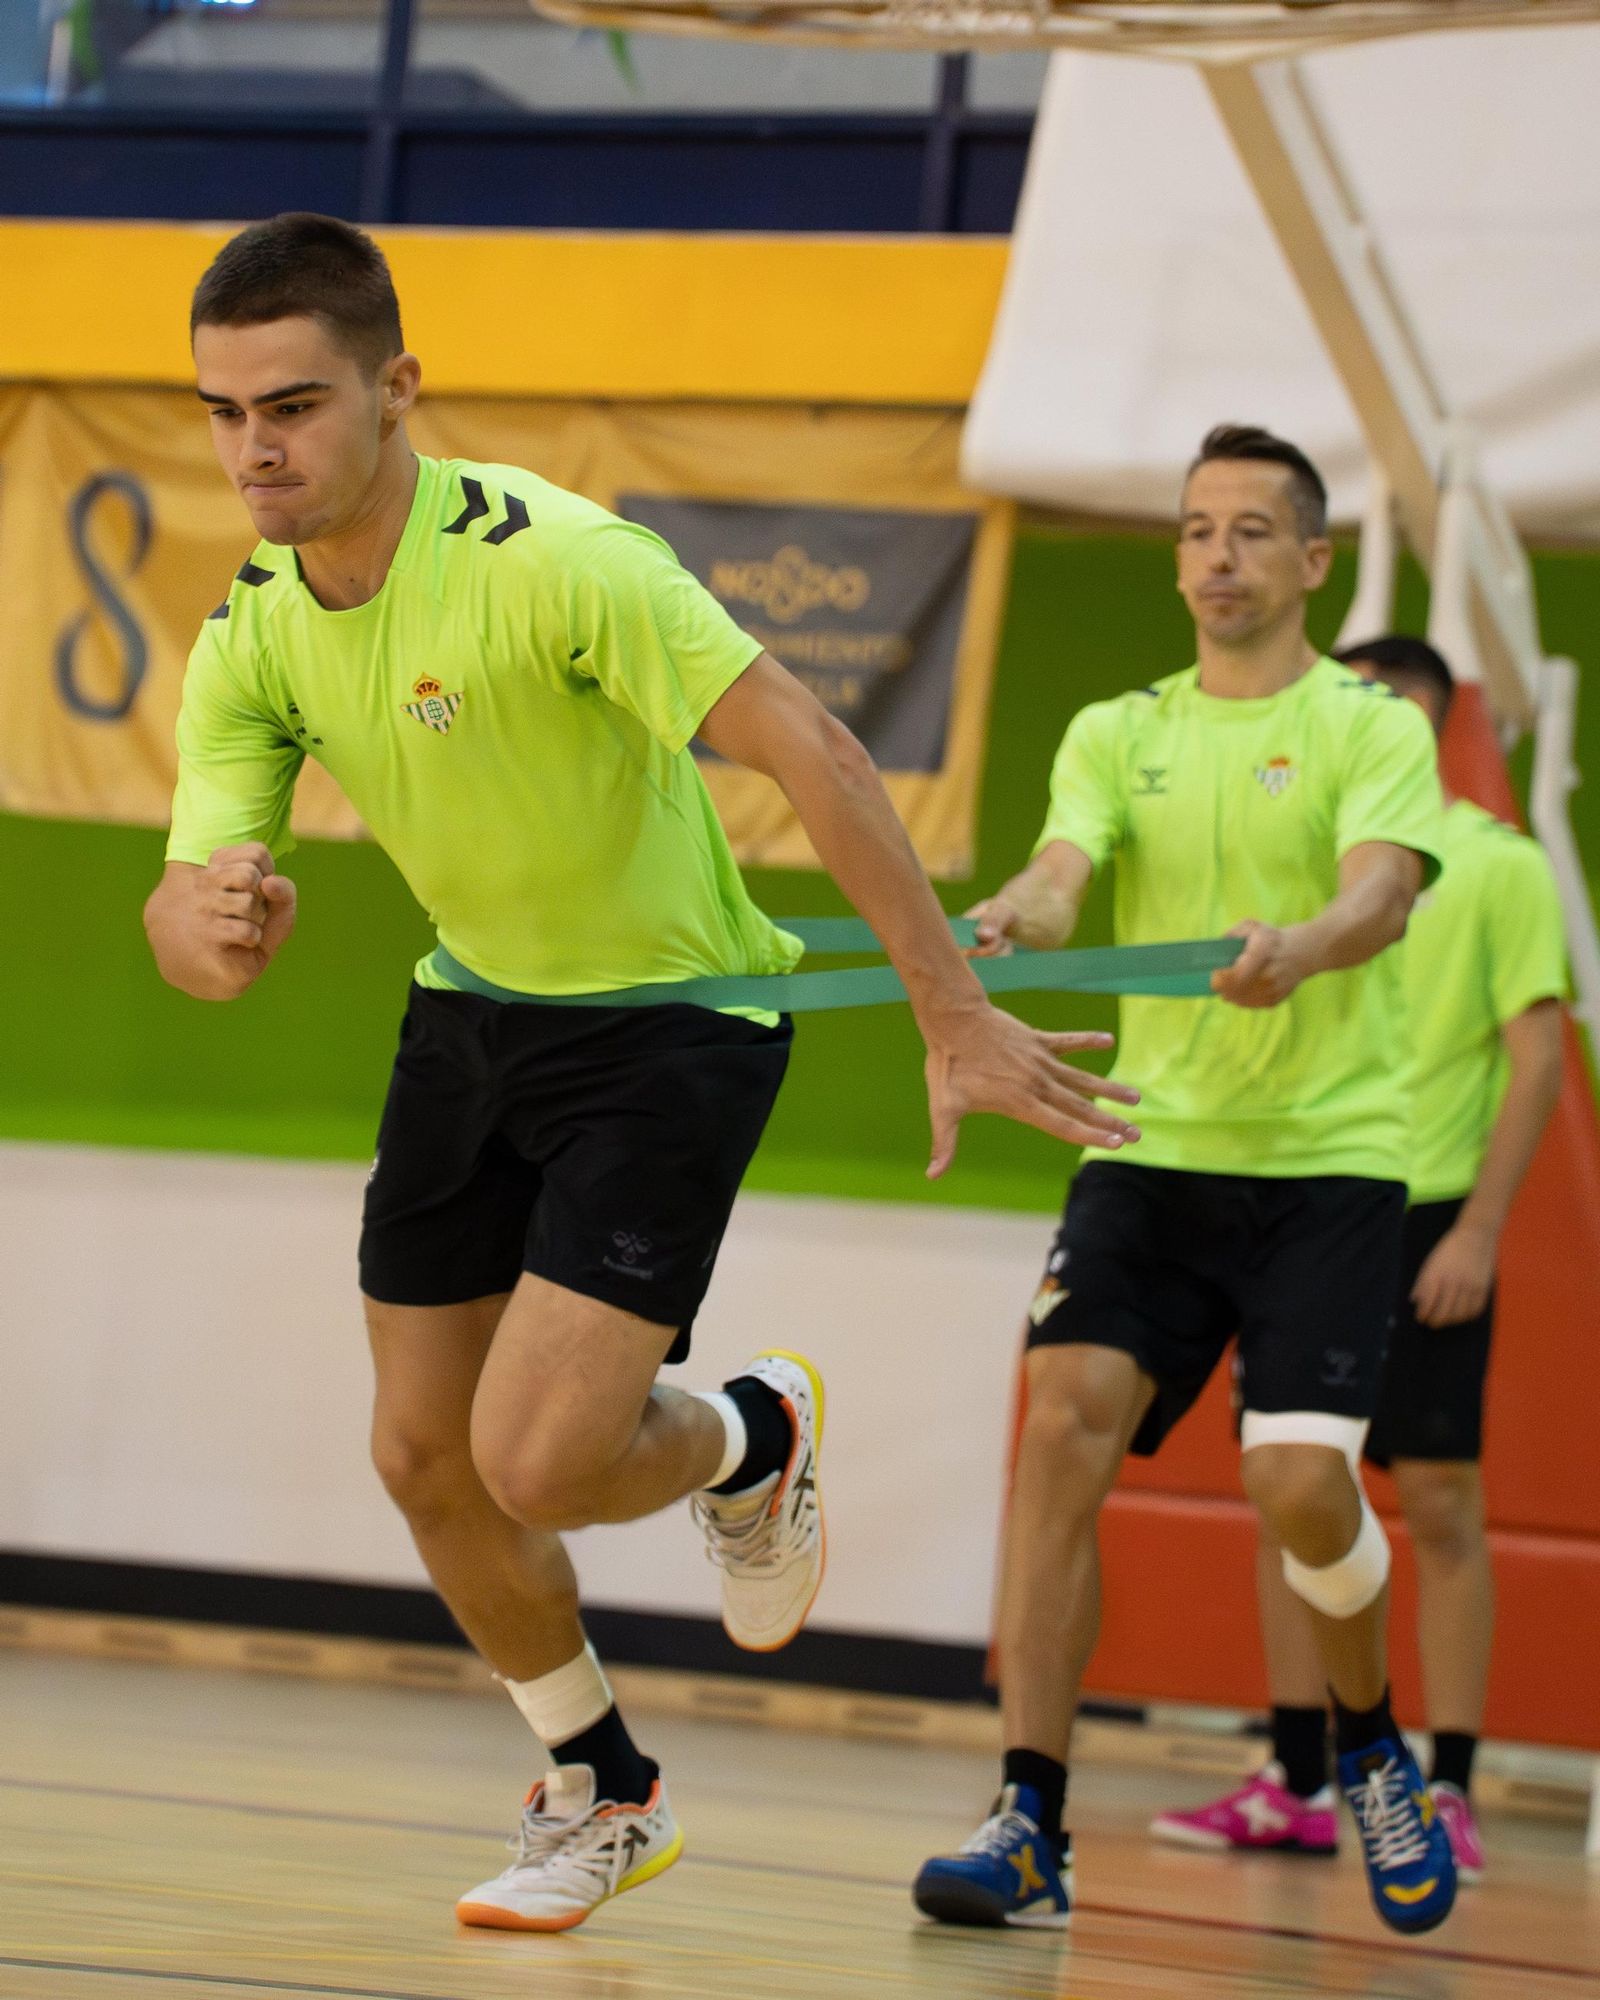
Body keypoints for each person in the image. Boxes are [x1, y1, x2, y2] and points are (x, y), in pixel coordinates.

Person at [142, 213, 1141, 1935]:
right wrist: (208, 924)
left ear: (397, 387)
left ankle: (751, 1432)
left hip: (674, 1021)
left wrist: (948, 1014)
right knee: (420, 1456)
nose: (256, 450)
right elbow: (183, 912)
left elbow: (817, 753)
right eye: (227, 414)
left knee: (533, 1461)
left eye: (293, 406)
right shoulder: (252, 629)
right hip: (473, 1012)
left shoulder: (557, 560)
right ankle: (600, 1785)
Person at [913, 425, 1458, 1937]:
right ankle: (1029, 1814)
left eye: (1250, 533)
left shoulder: (1369, 725)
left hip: (1331, 1165)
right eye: (1197, 531)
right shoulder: (1116, 728)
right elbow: (1065, 861)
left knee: (1298, 1485)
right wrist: (1017, 913)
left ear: (1311, 562)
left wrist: (1304, 946)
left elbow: (1383, 893)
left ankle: (1365, 1740)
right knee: (1062, 1428)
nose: (1218, 557)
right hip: (1151, 1154)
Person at [1151, 634, 1567, 1883]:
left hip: (1426, 1213)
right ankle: (1294, 1775)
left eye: (1380, 706)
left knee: (1438, 1502)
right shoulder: (1292, 854)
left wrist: (1480, 1230)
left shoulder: (1495, 866)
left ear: (1428, 726)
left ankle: (1446, 1785)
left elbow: (1538, 1055)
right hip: (1305, 1199)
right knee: (1296, 1497)